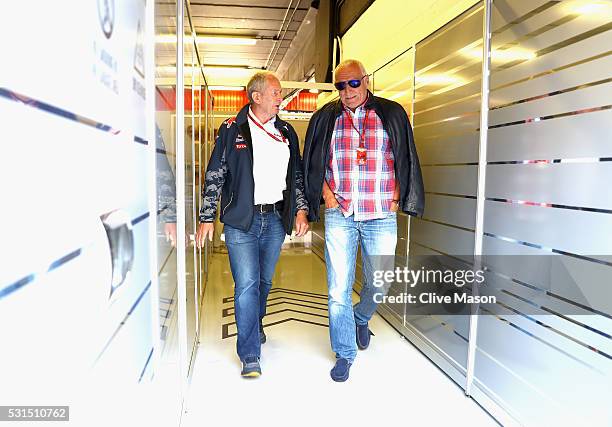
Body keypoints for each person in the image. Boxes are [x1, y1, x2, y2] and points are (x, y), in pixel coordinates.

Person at [303, 59, 424, 381]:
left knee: (380, 282)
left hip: (380, 213)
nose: (346, 91)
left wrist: (397, 195)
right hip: (340, 213)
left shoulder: (391, 112)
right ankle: (344, 353)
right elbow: (314, 162)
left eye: (352, 83)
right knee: (337, 288)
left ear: (365, 81)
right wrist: (326, 194)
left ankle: (361, 317)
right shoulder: (325, 117)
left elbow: (405, 156)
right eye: (340, 86)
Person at [196, 71, 309, 378]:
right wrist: (207, 216)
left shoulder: (286, 131)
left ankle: (254, 323)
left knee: (264, 282)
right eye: (275, 93)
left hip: (274, 219)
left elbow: (296, 174)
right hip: (241, 222)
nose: (280, 98)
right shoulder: (233, 129)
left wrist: (300, 210)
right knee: (246, 284)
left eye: (280, 93)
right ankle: (249, 353)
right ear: (256, 97)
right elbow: (216, 173)